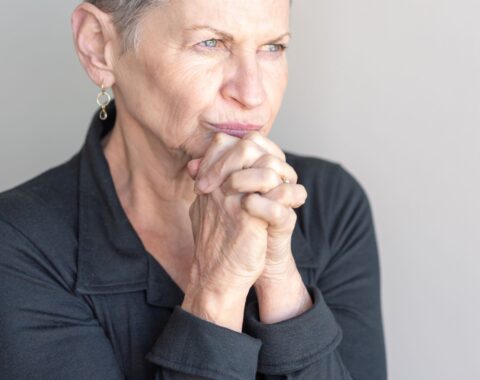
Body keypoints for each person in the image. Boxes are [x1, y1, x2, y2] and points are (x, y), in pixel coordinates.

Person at [0, 1, 386, 379]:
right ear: (99, 45)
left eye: (272, 47)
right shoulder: (19, 243)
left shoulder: (331, 204)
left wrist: (281, 280)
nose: (252, 94)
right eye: (210, 43)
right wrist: (216, 290)